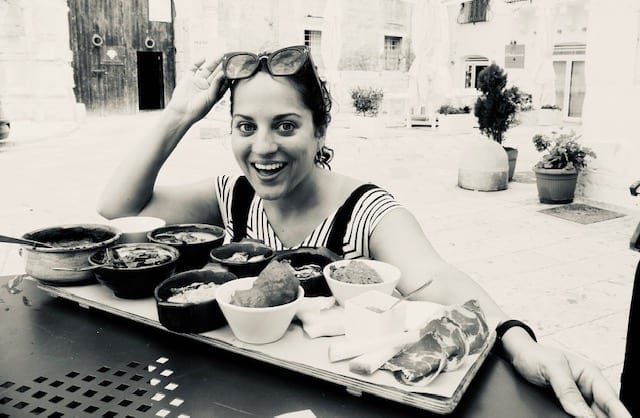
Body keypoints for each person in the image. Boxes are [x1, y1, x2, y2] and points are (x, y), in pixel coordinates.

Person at [98, 45, 630, 418]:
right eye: (246, 126)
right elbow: (118, 207)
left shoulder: (365, 210)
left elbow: (438, 279)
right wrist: (178, 115)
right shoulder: (230, 194)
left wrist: (518, 340)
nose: (262, 148)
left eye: (286, 125)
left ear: (319, 129)